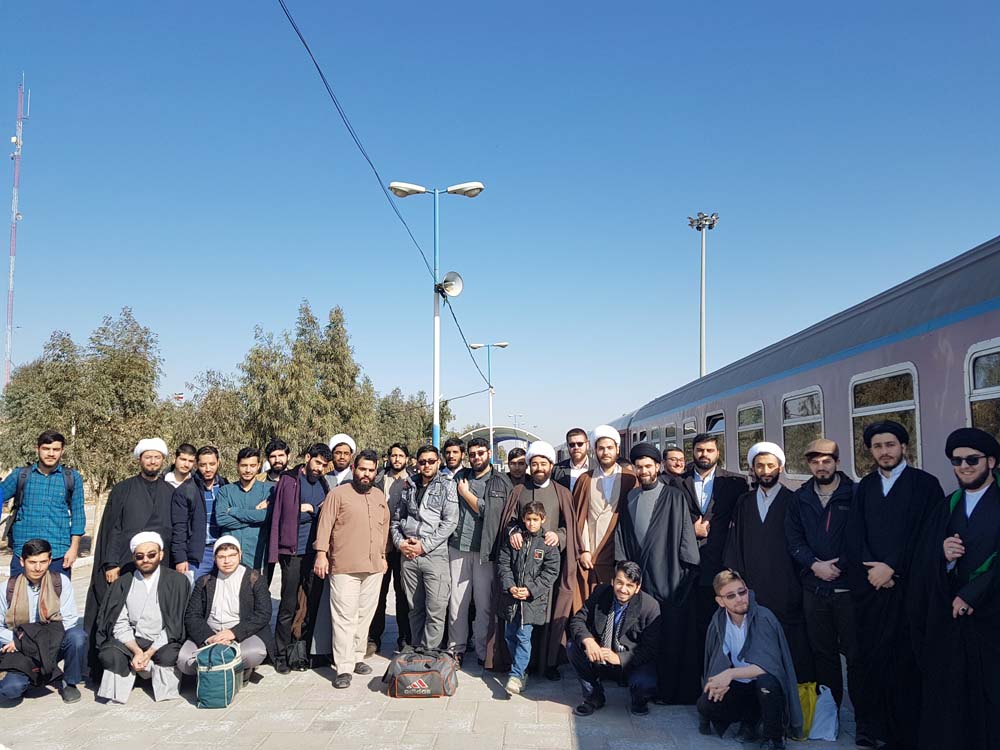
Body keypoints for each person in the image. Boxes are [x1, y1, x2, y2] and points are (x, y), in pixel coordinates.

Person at [846, 420, 943, 750]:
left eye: (890, 445)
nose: (884, 451)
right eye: (877, 446)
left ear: (903, 446)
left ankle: (907, 733)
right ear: (870, 451)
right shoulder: (866, 487)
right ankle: (873, 726)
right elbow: (855, 535)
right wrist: (872, 569)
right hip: (871, 590)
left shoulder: (926, 485)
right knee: (871, 660)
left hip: (908, 591)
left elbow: (928, 535)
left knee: (906, 662)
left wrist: (893, 568)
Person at [915, 427, 1000, 750]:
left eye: (972, 460)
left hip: (992, 620)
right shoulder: (947, 506)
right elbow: (924, 556)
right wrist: (943, 557)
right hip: (954, 623)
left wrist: (972, 594)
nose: (964, 466)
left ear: (991, 462)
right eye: (957, 460)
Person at [615, 442, 701, 704]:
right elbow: (623, 537)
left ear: (658, 467)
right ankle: (641, 684)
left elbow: (685, 536)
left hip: (669, 577)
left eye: (648, 466)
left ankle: (669, 691)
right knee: (642, 635)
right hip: (640, 580)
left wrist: (686, 572)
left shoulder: (674, 497)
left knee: (671, 636)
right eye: (639, 467)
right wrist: (625, 571)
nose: (644, 471)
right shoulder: (630, 498)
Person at [784, 439, 860, 724]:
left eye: (826, 461)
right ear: (808, 465)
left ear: (837, 462)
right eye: (815, 462)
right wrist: (814, 564)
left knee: (855, 654)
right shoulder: (800, 498)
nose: (821, 467)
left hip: (847, 588)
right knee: (823, 654)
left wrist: (839, 565)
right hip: (814, 588)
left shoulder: (855, 494)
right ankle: (830, 714)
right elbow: (793, 539)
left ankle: (864, 719)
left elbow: (861, 537)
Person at [488, 441, 577, 680]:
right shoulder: (519, 491)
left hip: (547, 567)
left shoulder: (562, 492)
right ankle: (520, 667)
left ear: (551, 465)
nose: (538, 468)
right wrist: (513, 532)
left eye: (543, 463)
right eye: (534, 463)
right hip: (520, 566)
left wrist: (558, 536)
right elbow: (509, 520)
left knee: (547, 615)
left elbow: (569, 527)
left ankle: (548, 663)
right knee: (518, 621)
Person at [725, 442, 813, 683]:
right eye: (760, 466)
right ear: (753, 469)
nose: (765, 471)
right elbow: (735, 544)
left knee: (789, 651)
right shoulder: (744, 502)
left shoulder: (793, 501)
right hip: (753, 590)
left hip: (787, 591)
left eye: (771, 466)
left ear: (780, 468)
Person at [85, 438, 175, 670]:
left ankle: (154, 660)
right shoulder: (123, 489)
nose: (152, 461)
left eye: (157, 457)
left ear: (163, 460)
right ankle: (115, 659)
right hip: (125, 563)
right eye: (148, 457)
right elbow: (113, 528)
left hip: (160, 565)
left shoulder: (171, 491)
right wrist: (111, 563)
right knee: (120, 611)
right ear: (139, 460)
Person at [698, 570, 802, 749]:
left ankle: (773, 739)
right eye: (731, 596)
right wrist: (717, 682)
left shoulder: (763, 617)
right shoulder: (719, 621)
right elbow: (715, 659)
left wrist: (729, 674)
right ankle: (750, 720)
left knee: (766, 684)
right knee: (705, 704)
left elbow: (768, 667)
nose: (739, 599)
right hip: (741, 686)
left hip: (765, 685)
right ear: (720, 601)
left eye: (742, 592)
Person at [313, 449, 389, 688]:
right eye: (362, 469)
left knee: (364, 616)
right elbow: (325, 525)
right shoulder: (338, 494)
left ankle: (357, 657)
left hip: (373, 566)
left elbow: (384, 527)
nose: (366, 474)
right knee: (344, 618)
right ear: (354, 468)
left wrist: (383, 556)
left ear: (376, 472)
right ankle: (344, 667)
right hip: (345, 566)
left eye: (371, 470)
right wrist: (321, 554)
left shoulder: (378, 496)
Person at [678, 433, 748, 669]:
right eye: (700, 450)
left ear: (718, 453)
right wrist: (691, 530)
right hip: (687, 566)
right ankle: (698, 672)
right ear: (693, 452)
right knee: (693, 626)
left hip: (720, 565)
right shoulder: (677, 483)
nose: (704, 454)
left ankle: (726, 670)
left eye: (709, 450)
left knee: (724, 623)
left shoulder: (736, 484)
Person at [93, 531, 188, 704]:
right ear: (134, 558)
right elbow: (118, 622)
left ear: (161, 555)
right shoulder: (122, 583)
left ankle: (156, 681)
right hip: (133, 640)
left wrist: (150, 652)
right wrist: (137, 651)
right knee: (110, 653)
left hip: (164, 641)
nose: (146, 560)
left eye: (151, 555)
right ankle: (119, 691)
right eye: (140, 556)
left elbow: (175, 624)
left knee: (170, 655)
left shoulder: (177, 582)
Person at [268, 442, 332, 673]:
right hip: (292, 552)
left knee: (311, 604)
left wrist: (313, 509)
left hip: (315, 553)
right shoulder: (289, 480)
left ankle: (301, 652)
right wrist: (303, 510)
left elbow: (324, 514)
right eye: (317, 462)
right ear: (307, 458)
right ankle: (281, 654)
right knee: (288, 604)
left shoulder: (323, 483)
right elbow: (281, 513)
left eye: (324, 465)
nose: (319, 468)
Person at [448, 436, 513, 665]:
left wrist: (466, 495)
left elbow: (491, 512)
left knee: (484, 604)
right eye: (472, 454)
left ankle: (483, 651)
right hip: (459, 547)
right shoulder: (461, 477)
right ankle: (456, 649)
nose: (476, 457)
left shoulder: (500, 481)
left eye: (480, 453)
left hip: (486, 552)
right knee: (457, 603)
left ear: (489, 454)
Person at [566, 561, 660, 717]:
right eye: (619, 583)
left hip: (630, 662)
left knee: (645, 682)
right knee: (572, 646)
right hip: (600, 656)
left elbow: (650, 649)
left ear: (637, 588)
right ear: (612, 581)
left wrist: (620, 659)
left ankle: (639, 701)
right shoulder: (601, 593)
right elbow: (578, 620)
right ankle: (593, 696)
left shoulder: (650, 607)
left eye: (629, 585)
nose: (623, 589)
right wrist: (588, 640)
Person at [0, 538, 86, 705]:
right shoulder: (7, 588)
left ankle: (69, 682)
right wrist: (18, 642)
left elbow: (69, 620)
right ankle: (32, 676)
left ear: (50, 560)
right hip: (21, 650)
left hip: (52, 644)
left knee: (77, 636)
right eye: (32, 562)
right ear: (22, 561)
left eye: (43, 562)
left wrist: (29, 640)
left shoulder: (60, 582)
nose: (38, 568)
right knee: (11, 690)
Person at [177, 536, 275, 683]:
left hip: (242, 634)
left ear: (240, 555)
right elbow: (192, 615)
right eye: (221, 557)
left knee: (255, 653)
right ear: (215, 558)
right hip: (211, 633)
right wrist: (210, 637)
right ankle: (221, 669)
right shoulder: (204, 581)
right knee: (184, 660)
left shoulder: (254, 579)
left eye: (232, 555)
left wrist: (233, 633)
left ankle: (232, 669)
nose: (227, 561)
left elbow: (263, 613)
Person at [390, 445, 459, 649]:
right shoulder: (409, 485)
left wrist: (425, 546)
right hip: (409, 554)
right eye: (422, 462)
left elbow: (450, 522)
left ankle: (430, 652)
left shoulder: (447, 486)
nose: (427, 465)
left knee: (436, 608)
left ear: (438, 462)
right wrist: (400, 543)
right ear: (417, 463)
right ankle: (416, 650)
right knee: (415, 608)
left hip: (434, 555)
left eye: (431, 461)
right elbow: (396, 520)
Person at [1, 430, 85, 577]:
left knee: (56, 592)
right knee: (19, 592)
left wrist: (74, 549)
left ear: (62, 451)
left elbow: (78, 515)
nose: (51, 454)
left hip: (58, 553)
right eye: (46, 449)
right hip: (24, 554)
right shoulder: (20, 475)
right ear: (37, 449)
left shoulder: (72, 478)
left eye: (56, 449)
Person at [498, 501, 561, 695]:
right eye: (528, 519)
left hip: (531, 602)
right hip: (512, 599)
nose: (531, 523)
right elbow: (503, 563)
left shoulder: (547, 544)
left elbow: (551, 572)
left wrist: (530, 590)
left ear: (543, 519)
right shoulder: (516, 540)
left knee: (523, 637)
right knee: (509, 635)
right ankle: (522, 670)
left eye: (535, 519)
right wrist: (510, 586)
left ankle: (516, 675)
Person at [573, 426, 637, 597]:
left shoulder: (630, 479)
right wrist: (583, 550)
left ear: (617, 449)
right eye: (601, 448)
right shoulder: (585, 479)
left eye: (609, 448)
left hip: (618, 554)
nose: (605, 452)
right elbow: (579, 518)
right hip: (591, 555)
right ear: (595, 451)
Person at [368, 443, 412, 654]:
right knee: (378, 593)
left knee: (403, 594)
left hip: (404, 545)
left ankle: (405, 638)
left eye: (400, 456)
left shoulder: (413, 481)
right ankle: (373, 638)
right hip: (382, 545)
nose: (397, 459)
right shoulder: (378, 480)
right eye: (393, 455)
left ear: (407, 459)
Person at [171, 445, 230, 582]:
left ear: (218, 463)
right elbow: (179, 527)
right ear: (197, 464)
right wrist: (180, 558)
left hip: (224, 551)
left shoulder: (226, 487)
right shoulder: (186, 490)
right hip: (198, 555)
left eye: (212, 464)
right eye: (203, 465)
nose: (208, 469)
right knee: (194, 592)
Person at [214, 447, 273, 573]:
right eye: (244, 465)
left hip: (257, 557)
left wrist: (234, 511)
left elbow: (265, 517)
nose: (248, 470)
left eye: (252, 465)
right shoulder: (226, 491)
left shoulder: (268, 490)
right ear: (237, 465)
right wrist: (254, 519)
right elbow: (221, 519)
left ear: (259, 466)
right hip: (230, 558)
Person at [554, 427, 590, 492]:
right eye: (572, 445)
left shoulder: (598, 468)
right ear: (567, 446)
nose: (576, 447)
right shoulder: (556, 470)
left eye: (580, 444)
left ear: (587, 445)